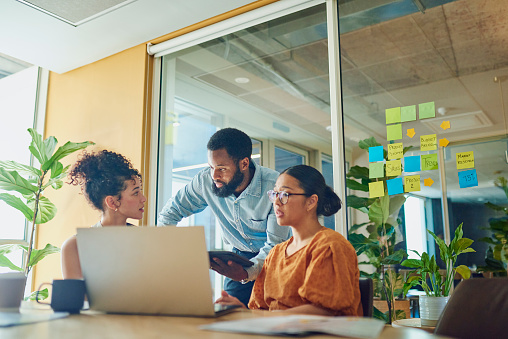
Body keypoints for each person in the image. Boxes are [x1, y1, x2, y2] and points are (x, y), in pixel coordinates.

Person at [157, 128, 290, 307]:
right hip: (238, 256)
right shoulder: (206, 180)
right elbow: (170, 212)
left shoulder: (274, 187)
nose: (214, 176)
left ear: (244, 163)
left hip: (278, 257)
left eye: (222, 168)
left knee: (271, 313)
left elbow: (275, 245)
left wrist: (246, 273)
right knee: (227, 312)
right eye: (211, 167)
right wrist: (166, 250)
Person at [216, 165, 362, 316]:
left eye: (285, 194)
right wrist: (241, 310)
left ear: (311, 202)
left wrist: (256, 317)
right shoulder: (275, 253)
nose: (276, 202)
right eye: (275, 194)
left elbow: (322, 311)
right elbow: (259, 309)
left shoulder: (330, 246)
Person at [61, 150, 146, 279]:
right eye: (135, 193)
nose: (143, 198)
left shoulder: (145, 241)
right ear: (112, 202)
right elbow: (77, 298)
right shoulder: (74, 247)